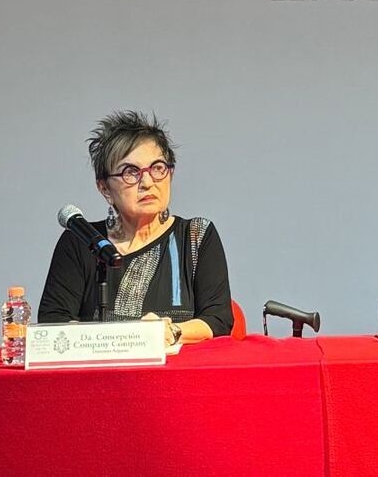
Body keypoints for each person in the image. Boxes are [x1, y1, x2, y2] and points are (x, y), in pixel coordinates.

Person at [39, 111, 233, 346]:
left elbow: (218, 320)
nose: (148, 182)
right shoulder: (82, 242)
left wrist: (171, 330)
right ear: (104, 189)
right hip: (101, 378)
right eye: (131, 172)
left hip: (177, 376)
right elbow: (53, 322)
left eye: (158, 168)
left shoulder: (196, 236)